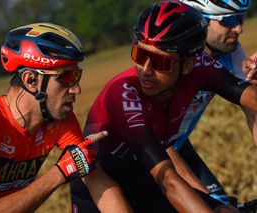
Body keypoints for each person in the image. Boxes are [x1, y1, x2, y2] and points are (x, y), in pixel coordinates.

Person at [70, 1, 257, 212]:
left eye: (160, 62)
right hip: (103, 193)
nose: (145, 70)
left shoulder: (201, 67)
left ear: (188, 65)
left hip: (148, 184)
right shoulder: (123, 94)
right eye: (140, 55)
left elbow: (252, 99)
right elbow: (169, 180)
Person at [0, 23, 110, 212]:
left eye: (78, 76)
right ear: (31, 80)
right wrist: (60, 172)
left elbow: (98, 183)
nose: (77, 89)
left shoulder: (60, 120)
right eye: (68, 78)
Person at [174, 0, 257, 205]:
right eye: (228, 20)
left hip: (178, 146)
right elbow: (154, 142)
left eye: (240, 18)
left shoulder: (231, 51)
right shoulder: (176, 61)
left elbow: (252, 110)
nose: (239, 28)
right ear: (200, 21)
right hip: (146, 155)